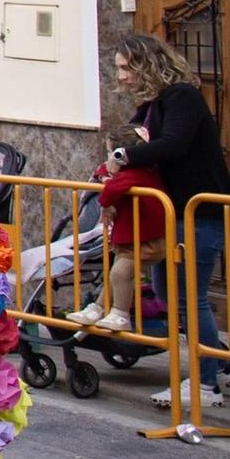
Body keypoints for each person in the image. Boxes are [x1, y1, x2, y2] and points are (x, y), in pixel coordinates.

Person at [109, 33, 230, 410]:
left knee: (189, 299)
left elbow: (173, 144)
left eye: (124, 68)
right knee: (168, 294)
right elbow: (132, 143)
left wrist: (124, 155)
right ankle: (222, 362)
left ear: (144, 64)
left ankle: (205, 384)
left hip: (201, 212)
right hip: (172, 213)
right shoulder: (152, 104)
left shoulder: (183, 97)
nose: (120, 77)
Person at [71, 126, 168, 333]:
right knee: (115, 276)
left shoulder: (138, 173)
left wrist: (106, 200)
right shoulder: (127, 171)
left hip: (146, 240)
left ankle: (120, 313)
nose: (109, 158)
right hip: (132, 238)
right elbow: (101, 171)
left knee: (120, 273)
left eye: (111, 153)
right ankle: (98, 307)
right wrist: (106, 174)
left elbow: (112, 190)